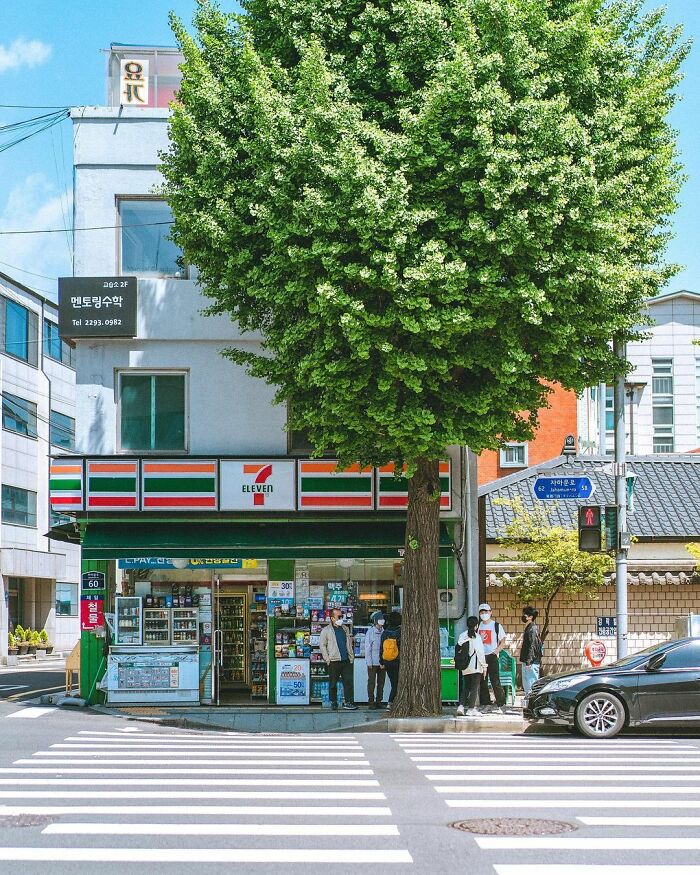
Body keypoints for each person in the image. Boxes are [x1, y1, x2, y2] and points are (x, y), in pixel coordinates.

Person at [319, 607, 357, 710]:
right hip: (333, 661)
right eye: (339, 616)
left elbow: (348, 643)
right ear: (332, 618)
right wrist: (327, 659)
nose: (341, 618)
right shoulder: (326, 630)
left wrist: (351, 657)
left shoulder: (345, 628)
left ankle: (348, 702)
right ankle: (333, 702)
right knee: (333, 683)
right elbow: (322, 645)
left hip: (346, 660)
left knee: (348, 682)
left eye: (342, 616)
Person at [477, 602, 507, 712]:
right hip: (481, 657)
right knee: (483, 682)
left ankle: (501, 704)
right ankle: (486, 704)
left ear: (490, 612)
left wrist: (495, 652)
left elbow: (503, 642)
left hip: (492, 656)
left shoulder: (496, 626)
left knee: (495, 681)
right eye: (481, 612)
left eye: (486, 612)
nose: (484, 614)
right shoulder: (478, 626)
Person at [455, 615, 487, 717]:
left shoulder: (462, 635)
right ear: (476, 625)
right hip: (475, 667)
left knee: (466, 687)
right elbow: (480, 653)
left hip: (465, 666)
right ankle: (471, 709)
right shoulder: (477, 637)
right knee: (474, 688)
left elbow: (458, 647)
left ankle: (460, 706)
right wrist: (484, 666)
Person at [364, 611, 386, 708]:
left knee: (381, 683)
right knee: (371, 683)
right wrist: (369, 662)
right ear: (376, 621)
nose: (382, 621)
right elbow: (367, 648)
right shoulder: (370, 632)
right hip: (372, 662)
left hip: (382, 662)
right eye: (380, 619)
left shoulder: (384, 631)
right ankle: (371, 702)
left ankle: (379, 701)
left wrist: (384, 661)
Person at [380, 611, 402, 709]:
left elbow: (381, 648)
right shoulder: (400, 632)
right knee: (397, 683)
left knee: (394, 682)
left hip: (387, 661)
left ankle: (391, 702)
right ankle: (390, 702)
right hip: (397, 661)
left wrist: (381, 661)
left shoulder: (385, 632)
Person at [519, 605, 542, 695]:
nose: (523, 616)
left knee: (531, 685)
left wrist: (529, 661)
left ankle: (532, 701)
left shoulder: (532, 628)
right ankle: (528, 701)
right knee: (527, 685)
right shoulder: (529, 627)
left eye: (525, 614)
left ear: (530, 617)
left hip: (531, 661)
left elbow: (532, 645)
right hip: (527, 660)